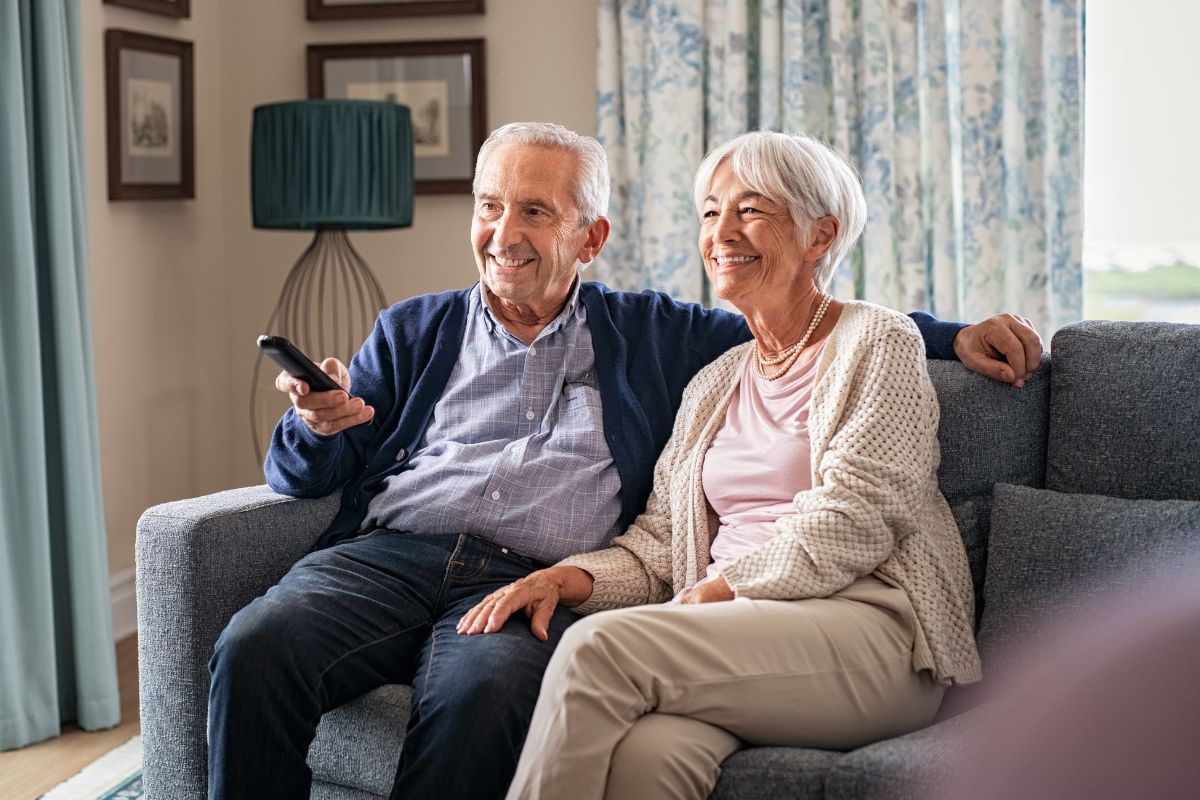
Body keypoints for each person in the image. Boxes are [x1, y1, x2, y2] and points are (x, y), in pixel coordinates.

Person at [207, 122, 1037, 800]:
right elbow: (308, 474)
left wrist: (953, 336)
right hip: (391, 556)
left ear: (591, 237)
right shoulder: (413, 330)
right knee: (258, 644)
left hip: (535, 571)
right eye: (490, 206)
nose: (504, 234)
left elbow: (825, 324)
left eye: (534, 211)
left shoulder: (664, 337)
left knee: (486, 695)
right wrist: (316, 423)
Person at [459, 130, 984, 800]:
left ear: (820, 235)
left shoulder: (876, 340)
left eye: (752, 209)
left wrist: (721, 588)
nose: (722, 231)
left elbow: (860, 517)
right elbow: (658, 549)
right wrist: (566, 580)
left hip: (871, 634)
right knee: (647, 758)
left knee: (597, 650)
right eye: (710, 212)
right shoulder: (716, 382)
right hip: (735, 635)